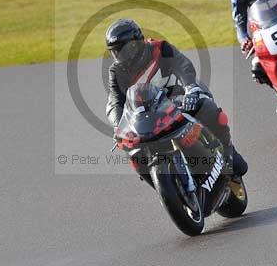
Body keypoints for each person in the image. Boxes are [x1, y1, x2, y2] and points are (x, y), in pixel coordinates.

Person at [105, 18, 248, 178]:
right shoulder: (117, 72)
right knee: (132, 151)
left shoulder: (159, 48)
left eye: (125, 50)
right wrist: (118, 126)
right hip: (148, 115)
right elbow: (115, 101)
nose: (122, 56)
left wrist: (190, 88)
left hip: (178, 98)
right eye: (117, 52)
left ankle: (228, 149)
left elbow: (182, 65)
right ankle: (160, 184)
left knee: (205, 106)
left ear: (136, 44)